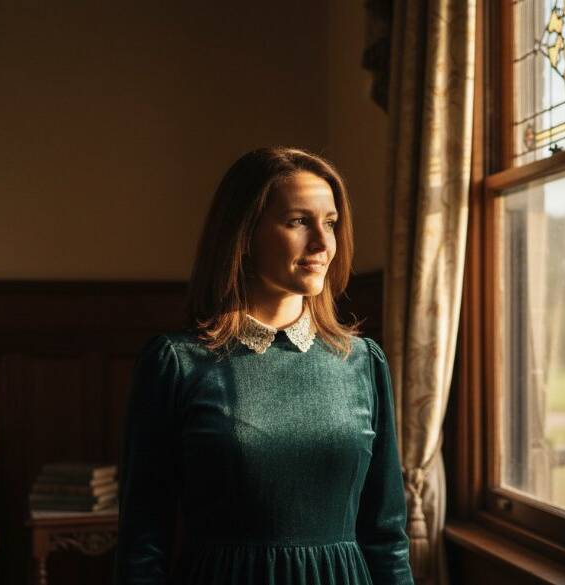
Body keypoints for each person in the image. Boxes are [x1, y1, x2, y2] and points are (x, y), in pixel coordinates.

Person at [113, 147, 414, 584]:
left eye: (330, 223)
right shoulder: (177, 364)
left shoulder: (363, 363)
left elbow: (386, 534)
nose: (322, 243)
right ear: (244, 233)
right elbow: (143, 539)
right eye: (298, 222)